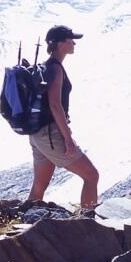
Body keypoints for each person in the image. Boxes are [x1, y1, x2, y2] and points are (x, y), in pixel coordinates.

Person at [27, 25, 99, 212]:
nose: (74, 43)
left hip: (37, 133)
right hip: (51, 134)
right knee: (91, 176)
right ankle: (88, 223)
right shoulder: (56, 69)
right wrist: (67, 138)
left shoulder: (46, 67)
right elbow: (55, 105)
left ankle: (23, 222)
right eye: (70, 40)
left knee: (39, 186)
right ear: (60, 44)